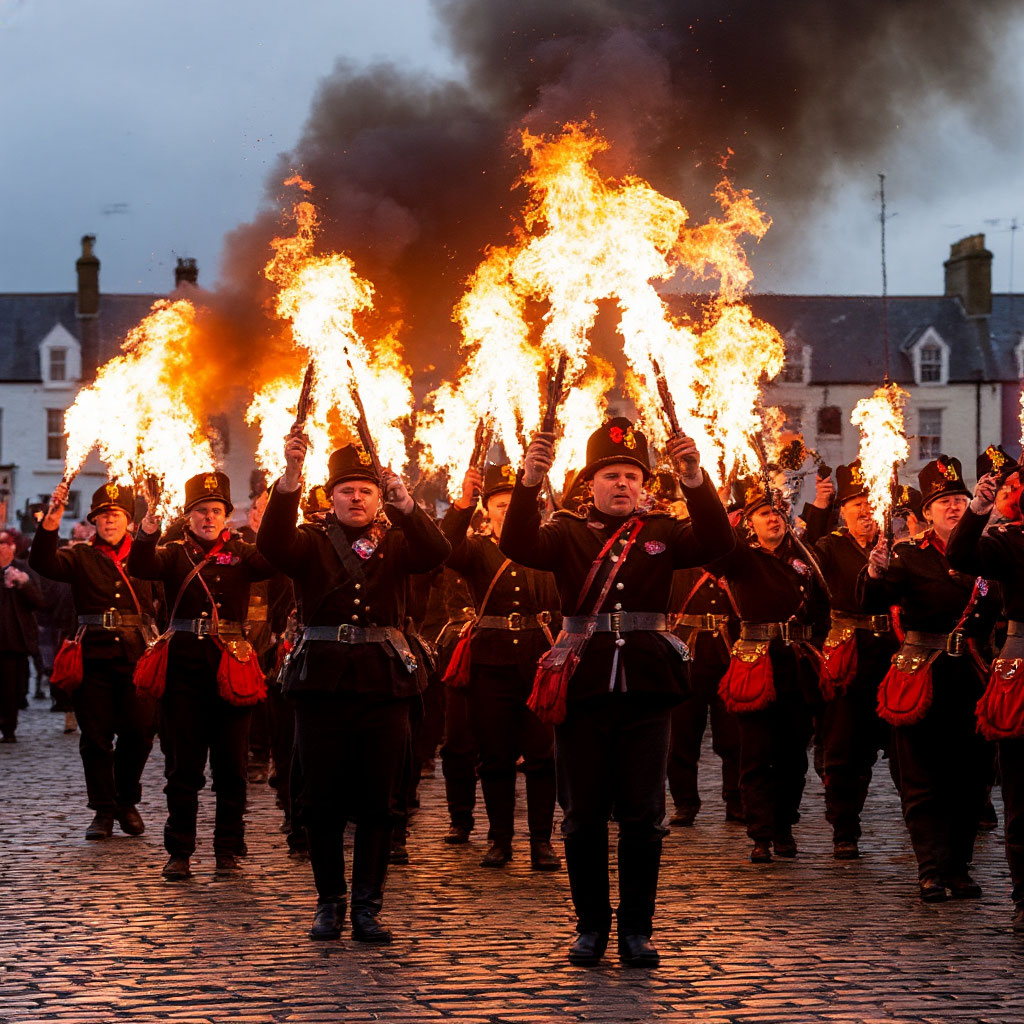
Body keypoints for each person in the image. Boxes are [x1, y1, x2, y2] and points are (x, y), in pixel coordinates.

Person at [499, 417, 734, 968]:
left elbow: (718, 542)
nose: (622, 483)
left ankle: (636, 930)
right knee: (582, 814)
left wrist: (695, 479)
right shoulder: (565, 532)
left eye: (631, 475)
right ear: (591, 485)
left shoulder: (663, 530)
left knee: (643, 814)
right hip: (583, 688)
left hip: (647, 689)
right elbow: (518, 542)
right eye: (610, 475)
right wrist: (528, 481)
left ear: (644, 484)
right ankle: (590, 928)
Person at [257, 435, 450, 945]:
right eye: (347, 490)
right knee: (321, 799)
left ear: (378, 496)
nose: (356, 498)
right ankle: (329, 902)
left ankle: (367, 906)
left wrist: (406, 505)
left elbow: (438, 551)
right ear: (331, 495)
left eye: (366, 490)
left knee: (379, 801)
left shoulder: (398, 540)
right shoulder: (309, 541)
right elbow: (271, 545)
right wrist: (289, 479)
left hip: (384, 684)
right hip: (321, 684)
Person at [860, 455, 998, 902]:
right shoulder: (908, 554)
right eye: (943, 501)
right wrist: (874, 571)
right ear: (927, 513)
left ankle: (958, 867)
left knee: (970, 779)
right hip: (922, 675)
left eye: (959, 499)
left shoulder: (986, 553)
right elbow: (873, 600)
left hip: (971, 675)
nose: (953, 507)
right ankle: (930, 869)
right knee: (923, 780)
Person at [127, 471, 276, 881]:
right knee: (183, 769)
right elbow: (141, 564)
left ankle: (228, 848)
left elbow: (275, 561)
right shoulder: (174, 554)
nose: (208, 517)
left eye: (215, 510)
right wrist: (148, 529)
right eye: (200, 511)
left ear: (226, 515)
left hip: (232, 668)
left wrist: (274, 522)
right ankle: (180, 850)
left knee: (232, 767)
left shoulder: (244, 553)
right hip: (184, 672)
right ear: (188, 515)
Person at [442, 462, 561, 870]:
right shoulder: (476, 549)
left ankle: (542, 841)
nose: (508, 510)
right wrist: (462, 503)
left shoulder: (547, 545)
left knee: (542, 755)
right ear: (487, 510)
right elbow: (446, 546)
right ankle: (500, 839)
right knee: (495, 756)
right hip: (490, 663)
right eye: (500, 504)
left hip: (540, 660)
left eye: (515, 503)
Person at [708, 483, 828, 865]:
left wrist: (815, 650)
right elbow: (712, 548)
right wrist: (713, 504)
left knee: (793, 757)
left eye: (777, 512)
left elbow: (822, 614)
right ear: (750, 523)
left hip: (796, 666)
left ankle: (784, 826)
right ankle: (760, 833)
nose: (773, 518)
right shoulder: (741, 557)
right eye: (764, 513)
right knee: (756, 754)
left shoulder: (806, 558)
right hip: (756, 665)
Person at [30, 481, 158, 839]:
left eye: (115, 514)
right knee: (96, 738)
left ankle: (126, 801)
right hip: (94, 658)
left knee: (139, 733)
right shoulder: (80, 557)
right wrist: (52, 519)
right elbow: (42, 561)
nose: (109, 521)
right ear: (95, 521)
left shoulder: (147, 556)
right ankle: (103, 809)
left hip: (137, 657)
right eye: (102, 516)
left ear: (129, 520)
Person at [802, 462, 895, 859]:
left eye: (870, 501)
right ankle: (844, 827)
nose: (864, 510)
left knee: (897, 746)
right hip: (847, 656)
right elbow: (804, 561)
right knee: (843, 748)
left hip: (891, 654)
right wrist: (817, 508)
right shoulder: (830, 546)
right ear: (843, 510)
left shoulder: (896, 545)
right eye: (856, 503)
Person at [947, 465, 1024, 930]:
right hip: (1023, 669)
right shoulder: (1010, 540)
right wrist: (977, 508)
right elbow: (960, 554)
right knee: (1021, 794)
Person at [0, 529, 45, 742]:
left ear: (13, 548)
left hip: (14, 641)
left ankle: (8, 728)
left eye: (4, 544)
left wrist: (23, 584)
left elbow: (39, 601)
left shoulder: (24, 569)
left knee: (11, 689)